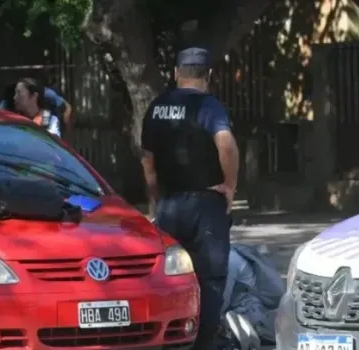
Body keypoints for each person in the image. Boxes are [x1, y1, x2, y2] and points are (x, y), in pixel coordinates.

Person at [140, 47, 239, 349]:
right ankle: (202, 342)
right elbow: (227, 145)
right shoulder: (208, 106)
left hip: (170, 205)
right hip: (206, 204)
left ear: (175, 74)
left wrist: (159, 200)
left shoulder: (156, 107)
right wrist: (230, 186)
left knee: (170, 276)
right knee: (209, 279)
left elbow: (148, 164)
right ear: (208, 75)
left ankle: (170, 339)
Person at [221, 244, 284, 346]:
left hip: (249, 311)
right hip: (245, 309)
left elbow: (222, 301)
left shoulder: (229, 261)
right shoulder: (228, 253)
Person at [0, 84, 73, 134]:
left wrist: (66, 120)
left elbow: (67, 106)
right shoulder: (6, 102)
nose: (15, 98)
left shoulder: (47, 94)